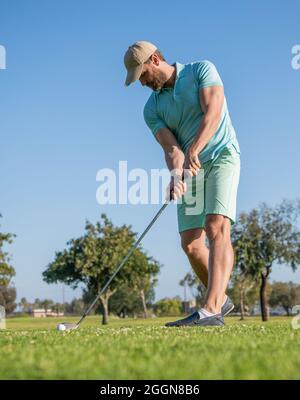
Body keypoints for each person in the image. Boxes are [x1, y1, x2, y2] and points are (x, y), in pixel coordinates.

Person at [123, 41, 241, 327]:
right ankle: (221, 300)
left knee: (216, 226)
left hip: (221, 156)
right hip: (190, 168)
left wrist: (195, 149)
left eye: (142, 74)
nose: (141, 83)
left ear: (154, 59)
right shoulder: (151, 108)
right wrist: (176, 176)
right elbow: (171, 149)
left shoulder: (201, 70)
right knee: (190, 243)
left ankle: (210, 310)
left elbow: (213, 112)